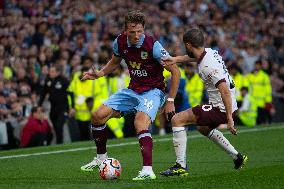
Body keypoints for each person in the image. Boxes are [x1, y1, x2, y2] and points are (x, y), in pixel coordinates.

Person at [80, 10, 180, 180]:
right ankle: (101, 159)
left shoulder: (152, 45)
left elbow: (175, 71)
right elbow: (116, 60)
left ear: (144, 29)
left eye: (139, 31)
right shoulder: (119, 42)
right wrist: (101, 73)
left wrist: (170, 100)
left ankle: (148, 170)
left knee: (139, 122)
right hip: (133, 89)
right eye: (132, 32)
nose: (136, 35)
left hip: (153, 91)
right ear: (125, 30)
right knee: (97, 116)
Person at [160, 28, 248, 177]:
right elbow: (194, 58)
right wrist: (176, 59)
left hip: (221, 107)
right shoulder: (209, 52)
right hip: (226, 104)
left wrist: (229, 119)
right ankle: (237, 157)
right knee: (202, 128)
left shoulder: (208, 66)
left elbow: (224, 90)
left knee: (177, 120)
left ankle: (180, 165)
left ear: (188, 45)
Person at [38, 64, 71, 144]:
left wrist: (72, 107)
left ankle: (60, 143)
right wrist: (39, 105)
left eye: (52, 71)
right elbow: (43, 93)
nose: (50, 73)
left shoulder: (64, 80)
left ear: (58, 72)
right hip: (53, 108)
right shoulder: (48, 80)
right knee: (55, 127)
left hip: (63, 108)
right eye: (50, 71)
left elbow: (71, 93)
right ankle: (59, 143)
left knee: (59, 126)